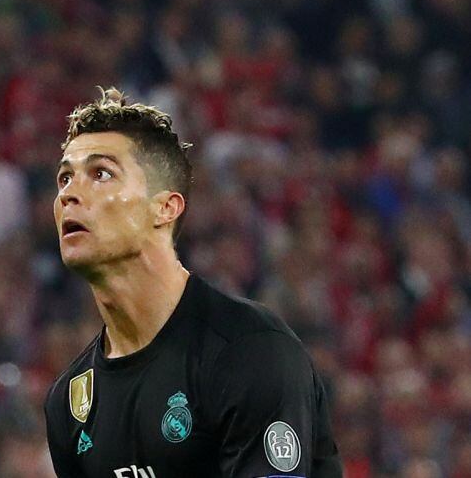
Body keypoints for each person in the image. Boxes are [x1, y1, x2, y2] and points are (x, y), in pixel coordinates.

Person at [44, 87, 342, 477]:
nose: (69, 194)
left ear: (164, 208)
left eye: (100, 174)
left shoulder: (248, 349)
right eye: (64, 178)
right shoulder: (69, 401)